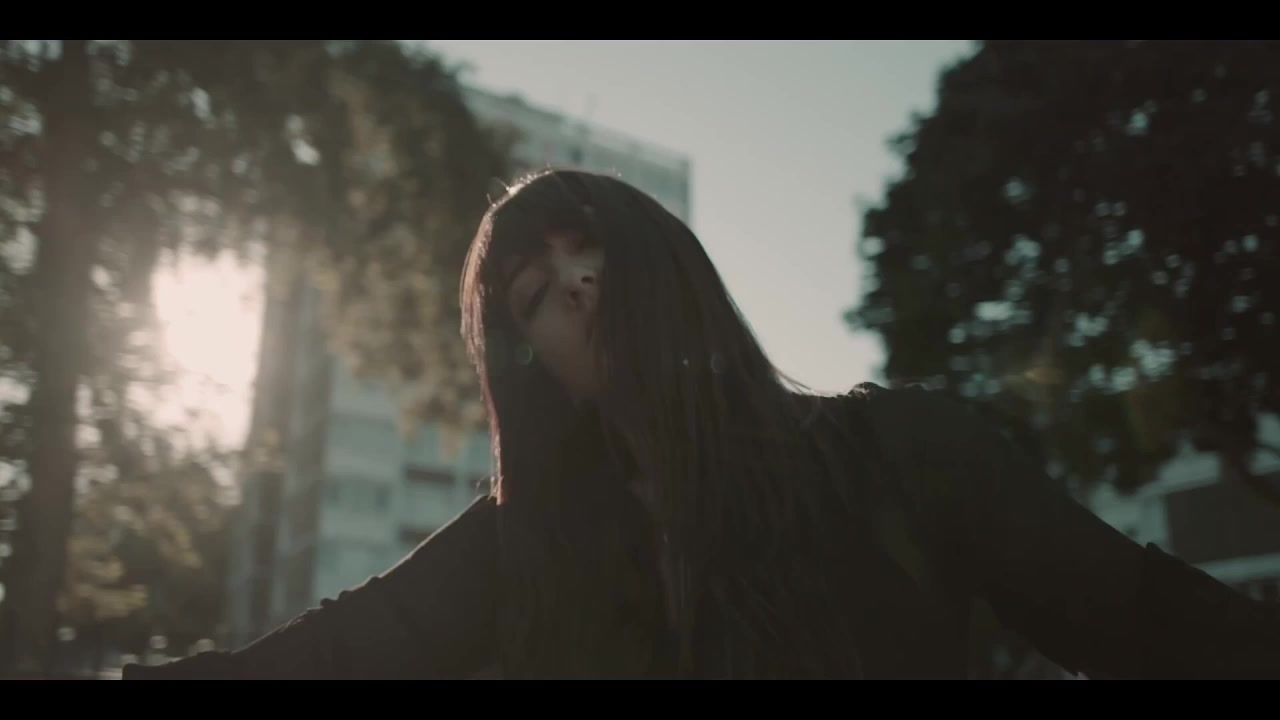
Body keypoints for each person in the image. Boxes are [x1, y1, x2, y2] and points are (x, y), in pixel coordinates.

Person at [124, 169, 1280, 680]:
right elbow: (335, 656)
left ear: (666, 260)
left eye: (589, 249)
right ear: (537, 367)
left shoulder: (906, 453)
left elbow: (1144, 619)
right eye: (532, 294)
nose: (574, 287)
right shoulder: (525, 536)